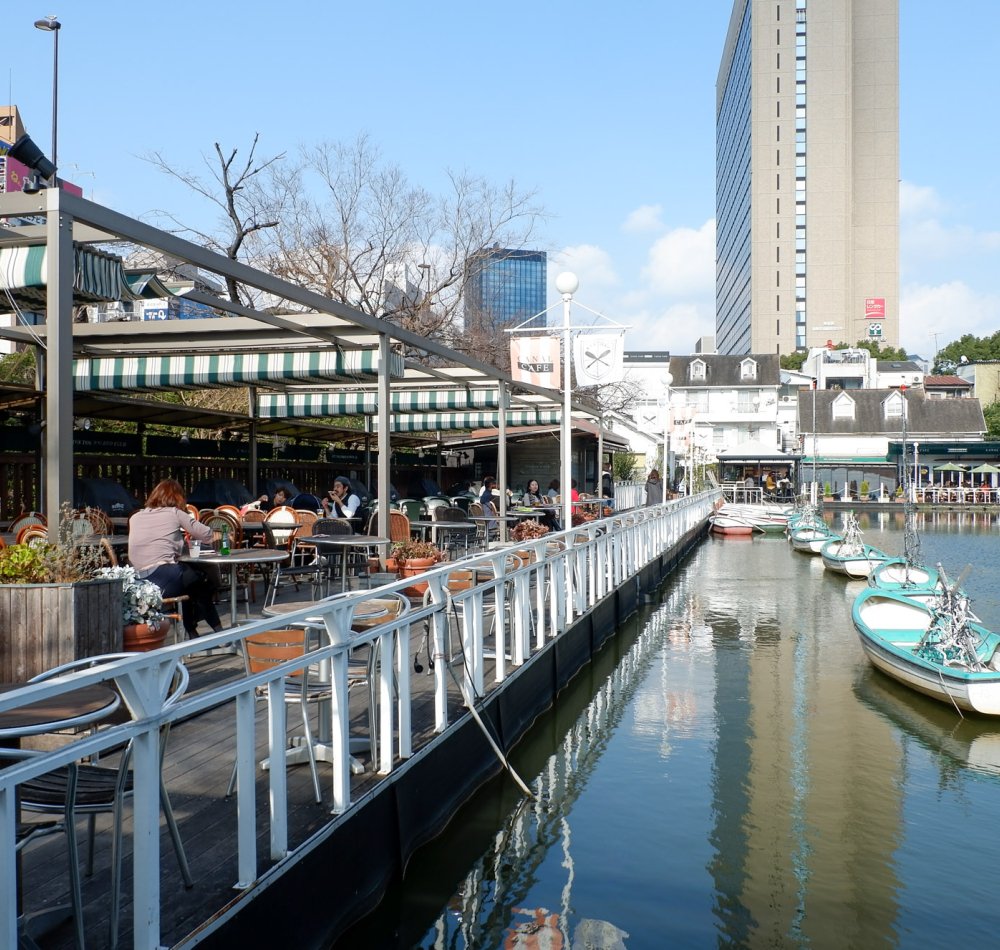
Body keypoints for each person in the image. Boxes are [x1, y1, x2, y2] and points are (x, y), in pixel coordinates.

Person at [128, 478, 222, 638]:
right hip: (164, 576)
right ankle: (218, 631)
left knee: (189, 583)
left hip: (138, 582)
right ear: (178, 497)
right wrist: (223, 535)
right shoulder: (174, 513)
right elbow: (206, 535)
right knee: (201, 583)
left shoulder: (135, 517)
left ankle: (192, 631)